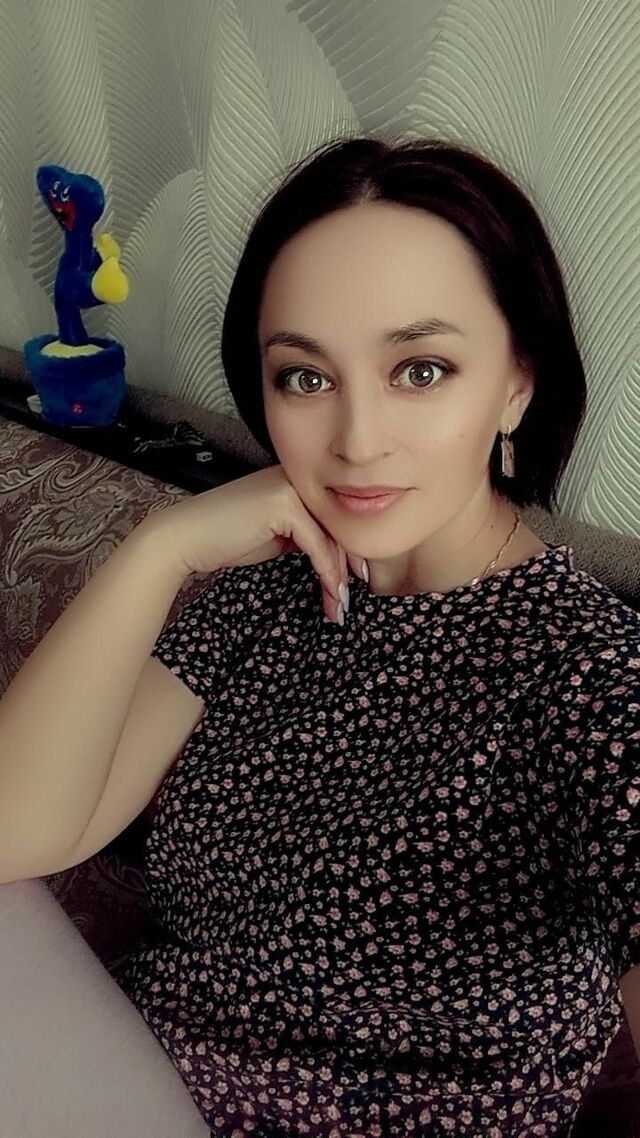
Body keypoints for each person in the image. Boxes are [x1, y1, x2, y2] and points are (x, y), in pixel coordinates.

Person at [0, 134, 638, 1137]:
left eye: (420, 369)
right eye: (305, 378)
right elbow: (15, 834)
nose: (357, 441)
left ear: (517, 381)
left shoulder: (590, 674)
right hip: (120, 1070)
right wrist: (162, 548)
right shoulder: (265, 596)